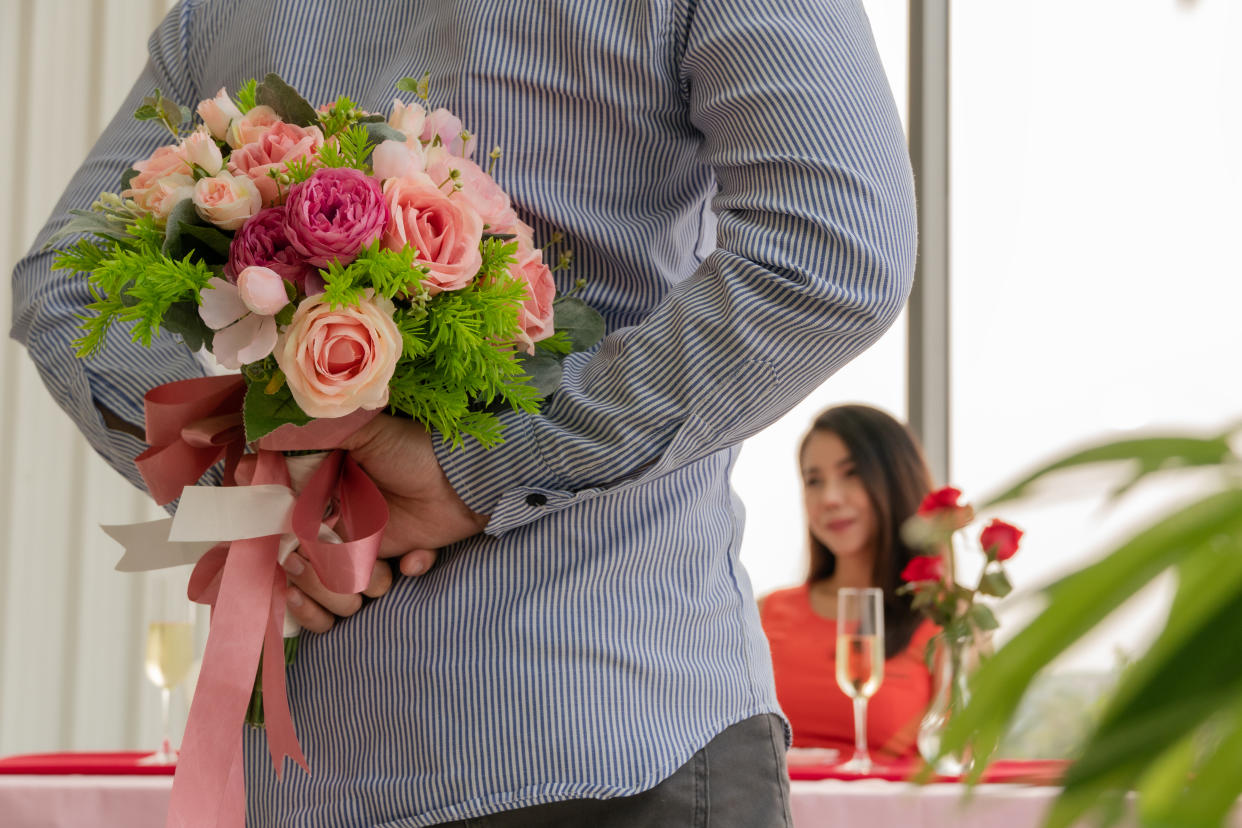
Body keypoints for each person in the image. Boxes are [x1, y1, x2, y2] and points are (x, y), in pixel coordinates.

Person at [11, 0, 917, 824]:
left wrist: (285, 504)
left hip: (402, 762)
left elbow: (64, 289)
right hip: (600, 719)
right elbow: (832, 254)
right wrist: (338, 495)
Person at [760, 405, 939, 761]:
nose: (830, 498)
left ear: (896, 480)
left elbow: (964, 759)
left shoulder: (945, 619)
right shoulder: (766, 613)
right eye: (814, 480)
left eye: (851, 474)